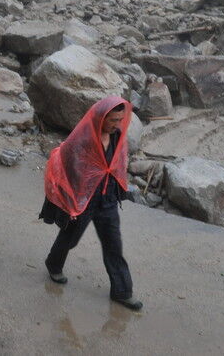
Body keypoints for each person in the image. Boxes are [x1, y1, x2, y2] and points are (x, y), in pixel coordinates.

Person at [39, 96, 143, 311]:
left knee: (114, 246)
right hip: (83, 201)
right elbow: (67, 174)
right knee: (70, 239)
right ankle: (54, 264)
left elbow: (117, 166)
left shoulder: (117, 137)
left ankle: (122, 292)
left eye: (120, 119)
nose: (117, 125)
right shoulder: (81, 141)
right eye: (113, 120)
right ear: (100, 118)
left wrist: (118, 192)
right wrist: (71, 204)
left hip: (107, 201)